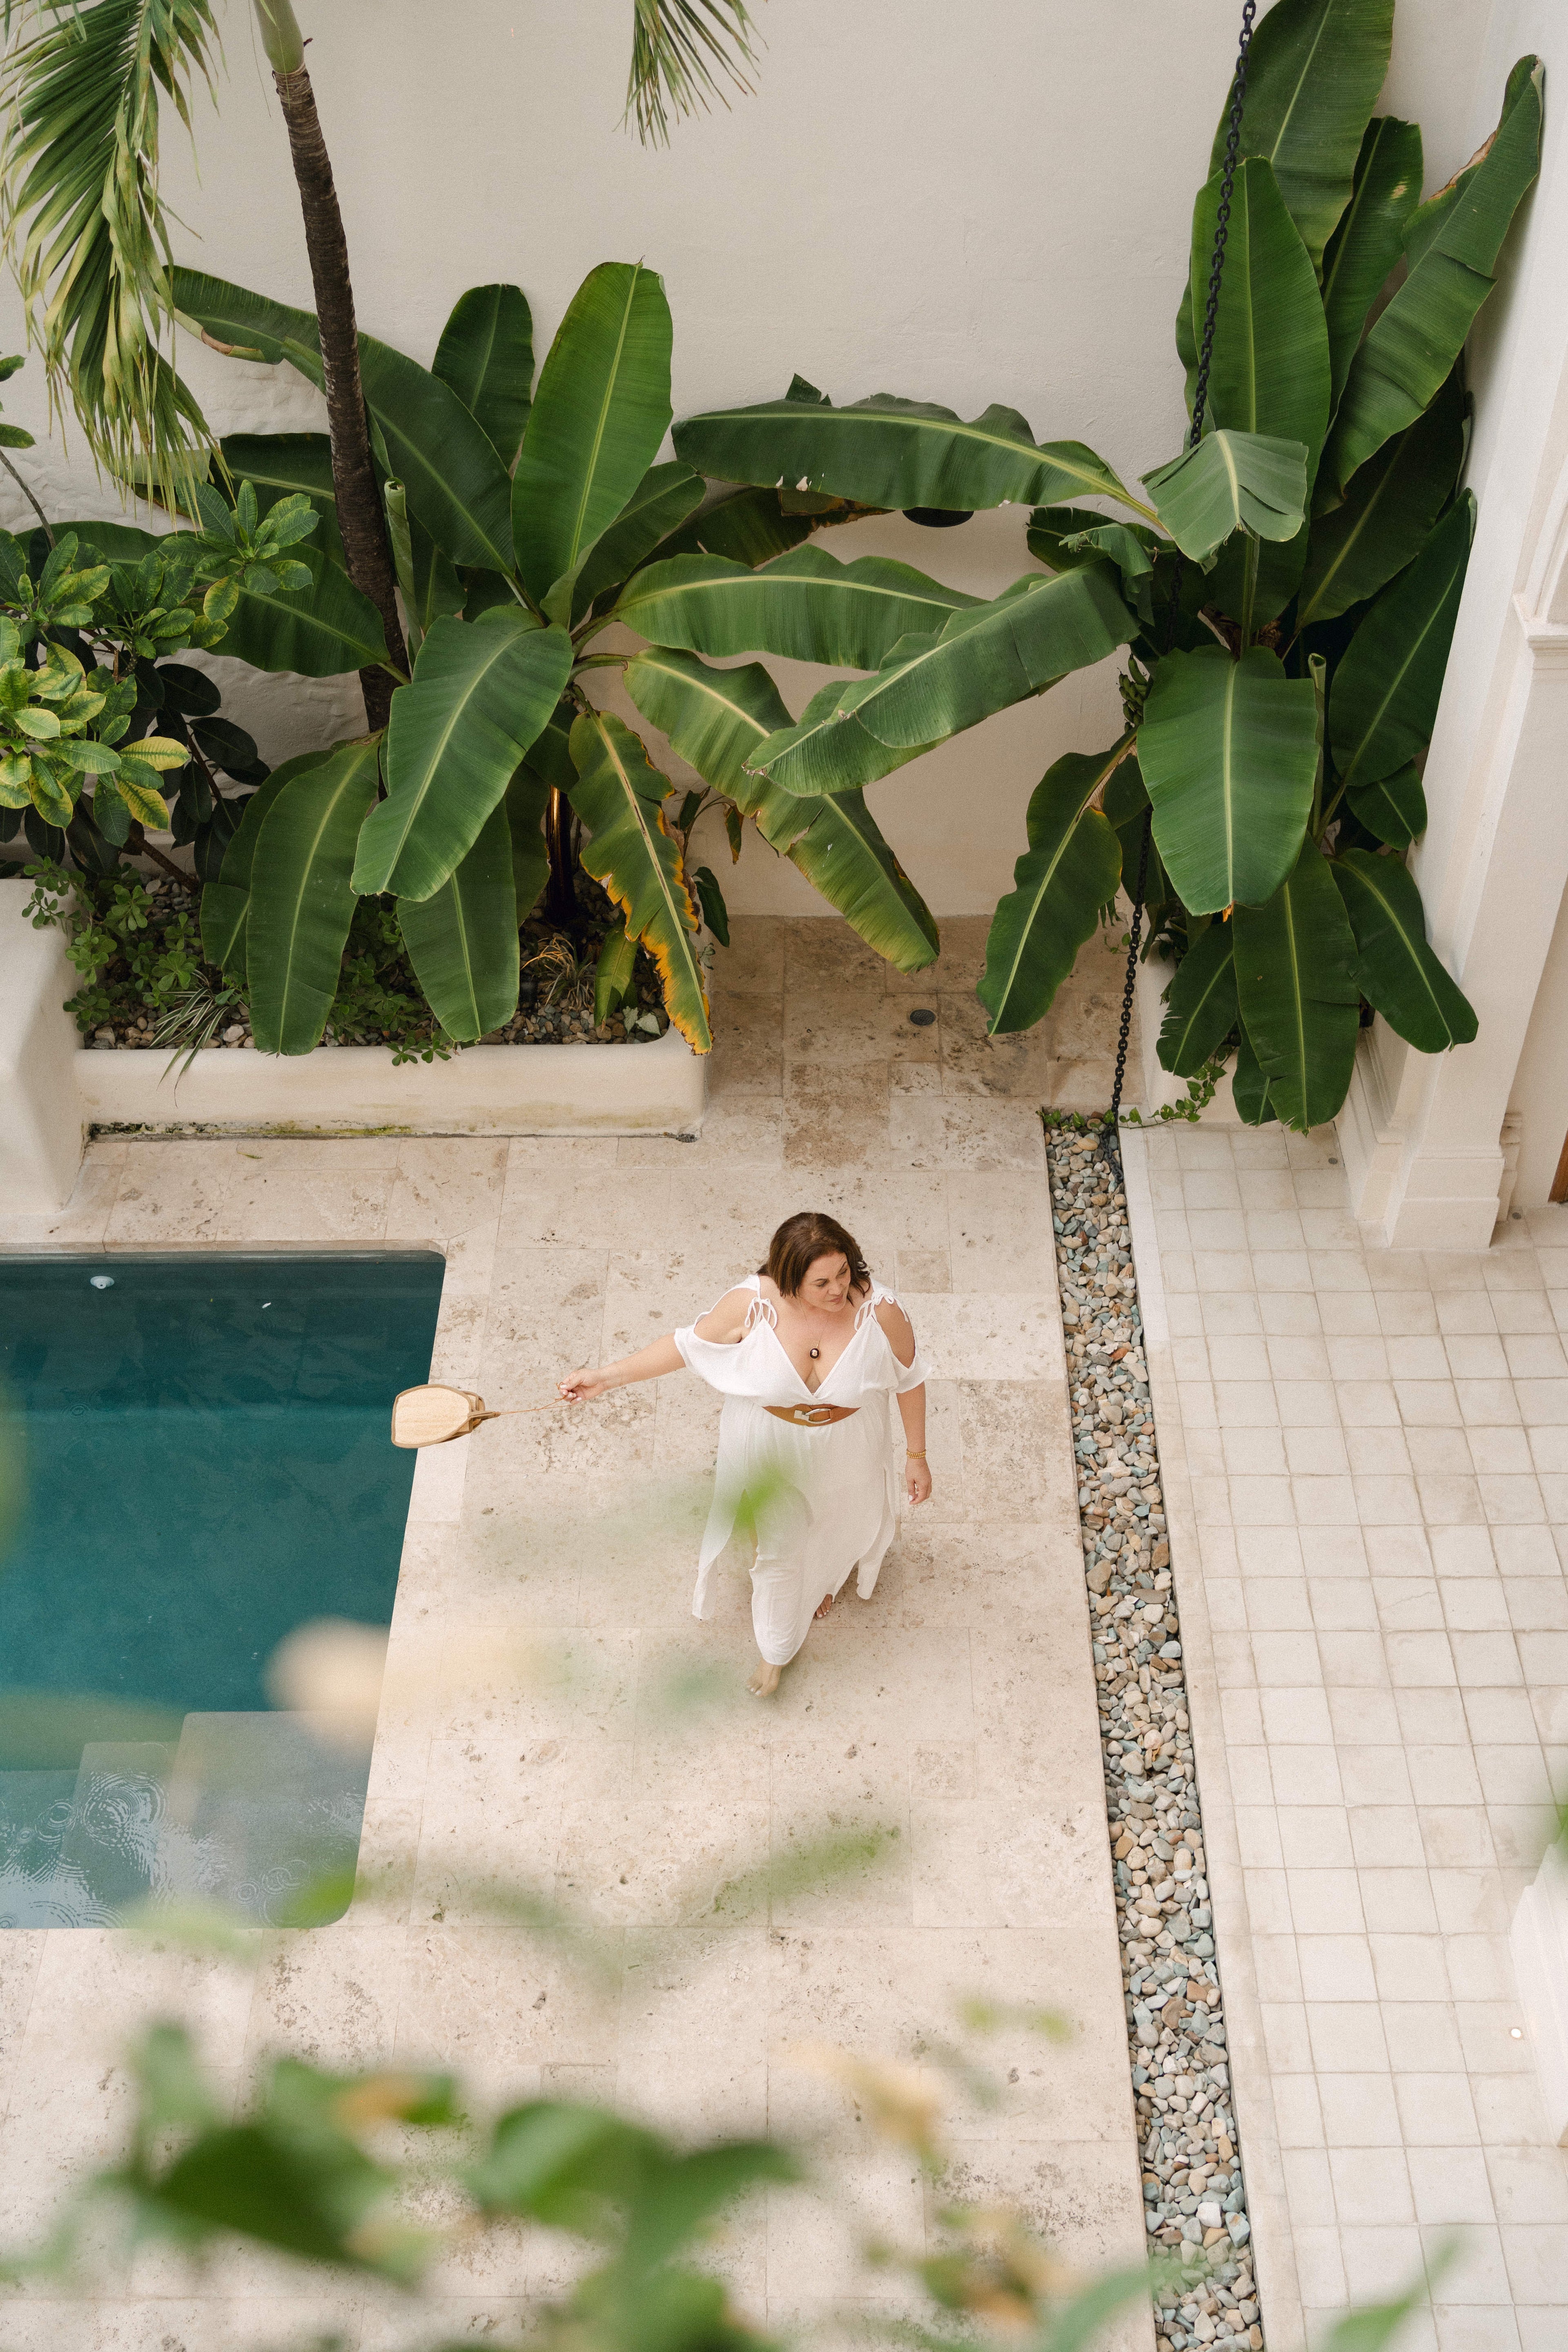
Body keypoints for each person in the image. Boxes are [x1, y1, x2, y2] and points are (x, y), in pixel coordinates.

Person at [559, 1211, 931, 1695]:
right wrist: (606, 1378)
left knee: (840, 1521)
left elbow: (911, 1378)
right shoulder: (752, 1305)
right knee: (777, 1550)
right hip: (770, 1444)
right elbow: (684, 1347)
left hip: (849, 1443)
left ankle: (822, 1580)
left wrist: (916, 1455)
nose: (839, 1290)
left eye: (844, 1272)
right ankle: (775, 1650)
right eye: (821, 1282)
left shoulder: (881, 1311)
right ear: (787, 1279)